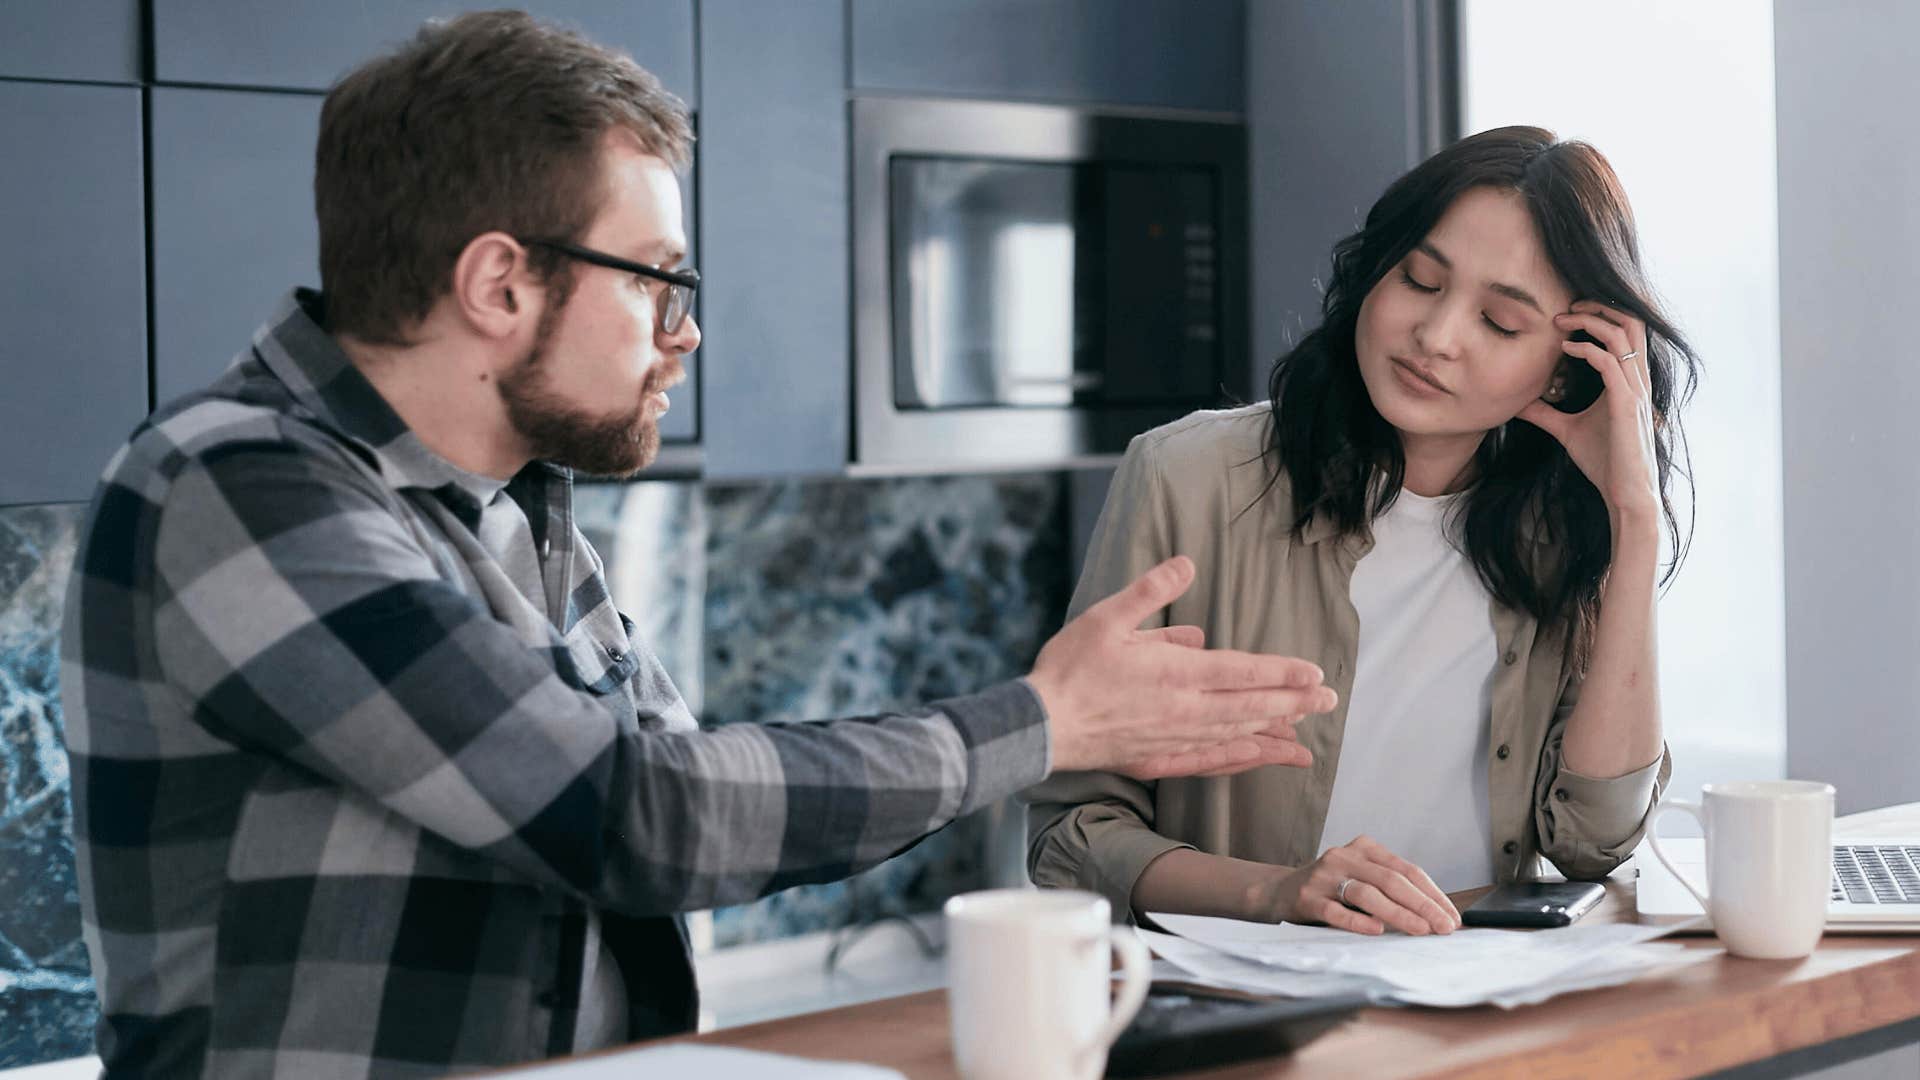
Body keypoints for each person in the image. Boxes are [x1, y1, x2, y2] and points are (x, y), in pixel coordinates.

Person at [59, 12, 1338, 1077]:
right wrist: (1042, 724)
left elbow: (700, 802)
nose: (686, 331)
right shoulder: (234, 488)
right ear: (500, 284)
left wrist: (1043, 723)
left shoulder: (519, 506)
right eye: (657, 276)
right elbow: (633, 815)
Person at [1027, 126, 1700, 939]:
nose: (1437, 336)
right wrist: (1278, 892)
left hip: (1475, 1001)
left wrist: (1635, 521)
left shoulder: (1558, 530)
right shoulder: (1188, 479)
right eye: (1420, 280)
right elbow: (1071, 835)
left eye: (1498, 322)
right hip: (1249, 1014)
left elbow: (1595, 841)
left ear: (1564, 369)